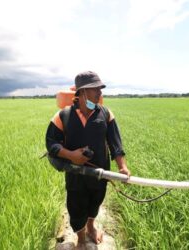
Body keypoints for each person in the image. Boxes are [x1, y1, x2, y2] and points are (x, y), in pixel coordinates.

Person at [45, 71, 130, 249]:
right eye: (95, 89)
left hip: (100, 172)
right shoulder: (63, 116)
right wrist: (71, 155)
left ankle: (91, 227)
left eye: (100, 89)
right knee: (76, 206)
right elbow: (51, 143)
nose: (100, 93)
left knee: (96, 201)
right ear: (82, 92)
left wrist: (122, 167)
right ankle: (81, 240)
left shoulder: (105, 114)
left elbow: (116, 144)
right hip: (75, 174)